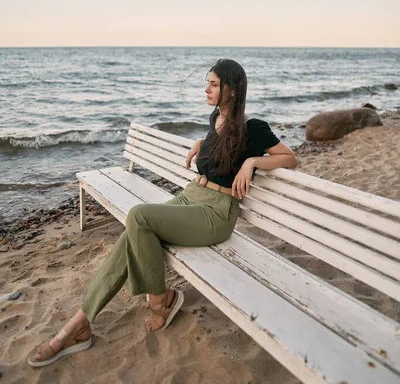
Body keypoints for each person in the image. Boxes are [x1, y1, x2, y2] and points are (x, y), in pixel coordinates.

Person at [28, 58, 297, 367]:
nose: (206, 89)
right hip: (193, 195)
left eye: (213, 84)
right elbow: (223, 144)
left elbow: (289, 158)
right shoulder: (217, 120)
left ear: (232, 91)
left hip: (217, 213)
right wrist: (204, 144)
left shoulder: (255, 129)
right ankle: (82, 320)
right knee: (133, 232)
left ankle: (160, 302)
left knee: (139, 217)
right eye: (207, 82)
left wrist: (253, 162)